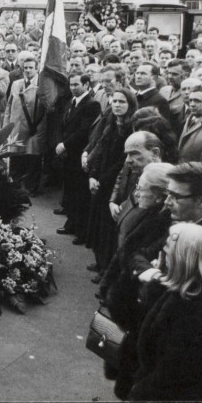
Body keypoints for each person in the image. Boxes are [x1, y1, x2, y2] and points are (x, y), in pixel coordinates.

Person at [128, 224, 202, 401]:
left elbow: (171, 373)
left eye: (168, 247)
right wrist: (159, 278)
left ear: (183, 257)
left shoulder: (194, 307)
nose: (164, 252)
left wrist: (137, 395)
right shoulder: (196, 292)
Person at [97, 162, 174, 399]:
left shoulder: (166, 223)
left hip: (136, 305)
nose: (136, 193)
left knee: (129, 365)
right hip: (125, 299)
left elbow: (134, 252)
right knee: (120, 357)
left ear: (161, 196)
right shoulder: (152, 213)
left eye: (142, 189)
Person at [85, 88, 138, 280]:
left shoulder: (132, 128)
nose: (117, 105)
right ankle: (100, 262)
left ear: (130, 105)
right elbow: (99, 150)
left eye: (122, 102)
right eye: (114, 101)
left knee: (110, 227)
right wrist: (92, 175)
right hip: (100, 181)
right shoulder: (111, 123)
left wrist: (101, 179)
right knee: (99, 224)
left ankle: (107, 269)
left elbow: (122, 162)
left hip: (116, 183)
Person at [56, 73, 101, 244]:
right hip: (68, 155)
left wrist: (65, 145)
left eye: (76, 85)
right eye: (71, 85)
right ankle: (71, 223)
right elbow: (64, 125)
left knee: (80, 194)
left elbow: (83, 131)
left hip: (79, 154)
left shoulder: (92, 104)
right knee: (71, 192)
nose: (73, 88)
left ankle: (81, 230)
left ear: (86, 84)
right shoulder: (71, 102)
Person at [2, 55, 46, 195]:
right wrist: (6, 125)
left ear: (37, 68)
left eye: (31, 68)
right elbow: (9, 105)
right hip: (16, 127)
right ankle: (15, 186)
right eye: (25, 68)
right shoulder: (16, 84)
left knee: (33, 158)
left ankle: (31, 188)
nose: (28, 70)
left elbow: (46, 110)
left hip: (34, 128)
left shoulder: (42, 85)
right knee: (15, 158)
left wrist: (40, 129)